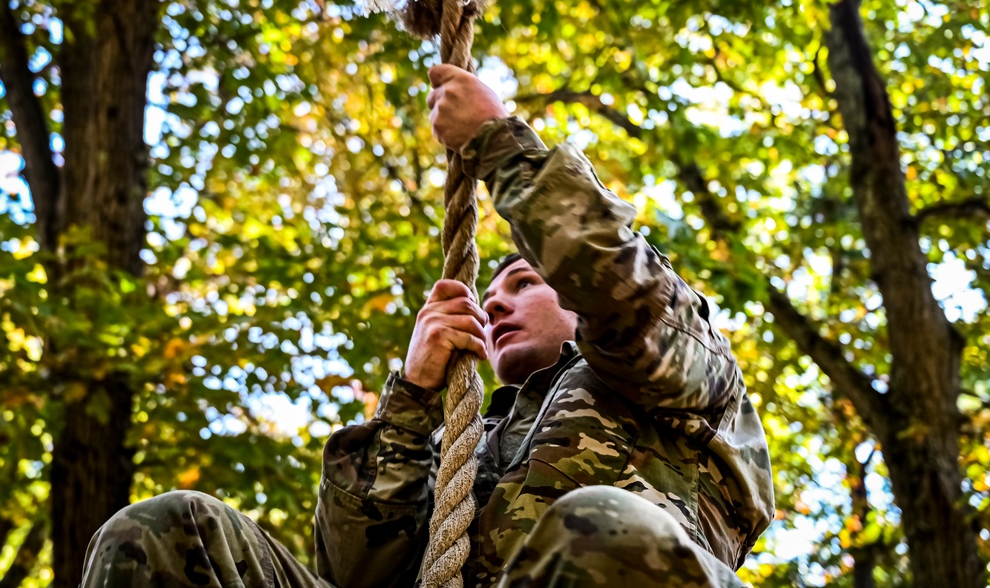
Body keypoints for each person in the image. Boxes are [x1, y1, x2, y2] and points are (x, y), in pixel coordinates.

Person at [81, 65, 774, 588]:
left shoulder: (686, 378)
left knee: (602, 525)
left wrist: (497, 143)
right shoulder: (458, 445)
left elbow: (624, 290)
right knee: (166, 533)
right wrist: (412, 398)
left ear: (573, 298)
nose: (492, 303)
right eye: (488, 290)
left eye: (524, 281)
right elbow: (356, 574)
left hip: (627, 566)